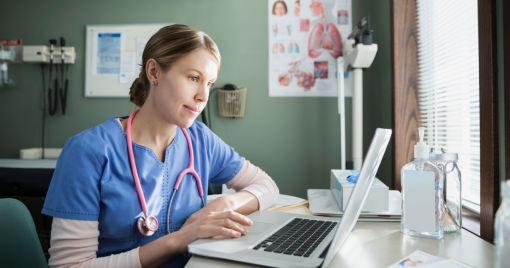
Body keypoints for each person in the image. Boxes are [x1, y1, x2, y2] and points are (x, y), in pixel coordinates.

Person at [42, 24, 279, 268]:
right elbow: (69, 266)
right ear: (154, 72)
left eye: (209, 83)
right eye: (193, 78)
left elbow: (267, 186)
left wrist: (222, 205)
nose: (203, 96)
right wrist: (178, 240)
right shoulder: (88, 151)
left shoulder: (200, 139)